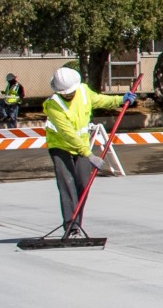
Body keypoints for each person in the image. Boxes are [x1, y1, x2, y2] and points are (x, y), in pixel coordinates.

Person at [40, 66, 112, 236]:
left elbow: (100, 100)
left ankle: (76, 222)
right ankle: (71, 226)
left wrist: (121, 99)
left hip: (82, 147)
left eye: (69, 92)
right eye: (64, 93)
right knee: (68, 186)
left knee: (83, 184)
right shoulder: (53, 105)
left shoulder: (84, 91)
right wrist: (89, 155)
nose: (68, 95)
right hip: (60, 147)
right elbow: (68, 134)